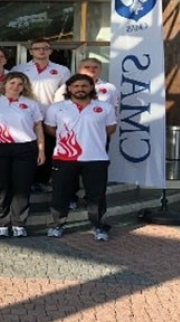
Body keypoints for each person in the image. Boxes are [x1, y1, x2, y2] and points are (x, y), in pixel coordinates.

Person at [44, 74, 117, 241]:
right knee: (60, 193)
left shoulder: (105, 107)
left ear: (91, 88)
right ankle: (57, 225)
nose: (80, 89)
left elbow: (110, 129)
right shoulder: (56, 108)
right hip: (64, 158)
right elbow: (50, 129)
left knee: (96, 195)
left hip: (96, 157)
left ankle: (99, 226)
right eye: (76, 86)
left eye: (84, 86)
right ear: (69, 88)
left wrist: (91, 138)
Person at [53, 57, 120, 210]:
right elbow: (56, 112)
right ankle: (71, 197)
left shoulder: (110, 88)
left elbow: (115, 111)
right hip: (71, 139)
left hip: (97, 137)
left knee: (95, 173)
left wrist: (101, 132)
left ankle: (92, 201)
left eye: (95, 67)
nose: (91, 70)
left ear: (100, 70)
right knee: (70, 173)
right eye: (87, 67)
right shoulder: (65, 87)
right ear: (79, 69)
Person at [0, 72, 46, 238]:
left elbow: (38, 127)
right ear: (4, 84)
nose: (15, 86)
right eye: (12, 83)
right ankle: (1, 223)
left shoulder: (31, 104)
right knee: (1, 186)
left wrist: (41, 150)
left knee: (22, 187)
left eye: (20, 84)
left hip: (25, 148)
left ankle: (19, 223)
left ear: (24, 87)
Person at [12, 39, 71, 192]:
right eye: (37, 48)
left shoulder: (62, 70)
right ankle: (26, 181)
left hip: (49, 117)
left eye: (45, 48)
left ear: (50, 51)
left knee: (48, 149)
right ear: (31, 51)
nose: (41, 51)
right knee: (28, 151)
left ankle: (42, 181)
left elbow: (66, 93)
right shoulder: (19, 69)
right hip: (24, 116)